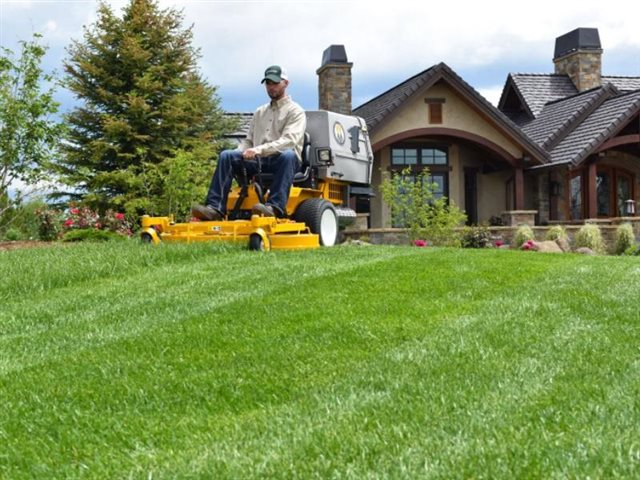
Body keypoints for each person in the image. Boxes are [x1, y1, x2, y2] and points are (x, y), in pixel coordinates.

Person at [192, 65, 306, 220]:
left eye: (275, 83)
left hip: (282, 160)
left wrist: (259, 150)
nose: (271, 87)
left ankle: (274, 207)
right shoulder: (260, 112)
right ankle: (215, 208)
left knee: (288, 155)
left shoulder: (295, 111)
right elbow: (249, 141)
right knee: (227, 156)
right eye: (268, 83)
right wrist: (241, 152)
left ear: (286, 83)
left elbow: (289, 141)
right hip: (259, 161)